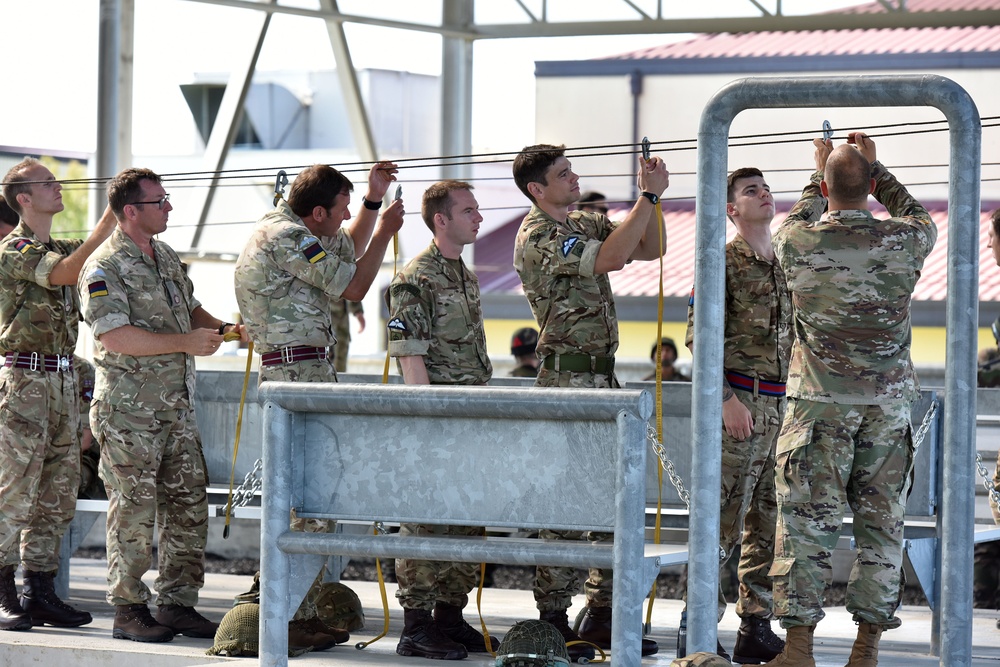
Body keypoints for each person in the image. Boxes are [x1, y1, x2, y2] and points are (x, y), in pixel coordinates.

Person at [764, 132, 937, 667]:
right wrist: (878, 169)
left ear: (825, 185)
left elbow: (798, 215)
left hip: (818, 408)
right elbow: (919, 216)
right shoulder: (907, 240)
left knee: (805, 529)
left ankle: (798, 651)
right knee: (881, 529)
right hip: (885, 412)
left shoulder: (798, 242)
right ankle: (865, 651)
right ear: (871, 187)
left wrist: (821, 173)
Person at [234, 161, 404, 651]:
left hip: (305, 368)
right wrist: (385, 231)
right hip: (294, 372)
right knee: (300, 500)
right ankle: (280, 613)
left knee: (311, 499)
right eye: (343, 207)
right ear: (316, 213)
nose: (349, 214)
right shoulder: (287, 237)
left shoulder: (300, 230)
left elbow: (344, 244)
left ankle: (296, 612)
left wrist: (372, 202)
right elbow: (353, 284)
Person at [512, 143, 670, 660]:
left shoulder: (582, 222)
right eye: (563, 174)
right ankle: (553, 618)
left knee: (610, 503)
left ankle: (601, 614)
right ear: (538, 189)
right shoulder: (538, 236)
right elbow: (614, 257)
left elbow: (649, 248)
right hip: (566, 385)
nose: (574, 178)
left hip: (601, 383)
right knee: (563, 506)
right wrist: (646, 194)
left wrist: (654, 198)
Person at [79, 167, 242, 643]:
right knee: (133, 510)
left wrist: (229, 330)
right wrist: (185, 343)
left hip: (175, 410)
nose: (168, 207)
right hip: (129, 415)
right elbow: (115, 336)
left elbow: (191, 311)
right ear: (131, 211)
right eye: (159, 201)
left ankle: (176, 604)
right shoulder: (103, 267)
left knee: (188, 506)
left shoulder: (165, 257)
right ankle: (128, 609)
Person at [682, 166, 825, 663]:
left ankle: (755, 625)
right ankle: (696, 624)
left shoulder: (785, 257)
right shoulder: (721, 263)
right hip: (740, 404)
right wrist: (725, 401)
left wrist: (822, 166)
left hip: (782, 406)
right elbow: (699, 338)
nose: (763, 194)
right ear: (731, 209)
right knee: (722, 522)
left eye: (765, 188)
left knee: (768, 524)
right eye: (750, 191)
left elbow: (815, 207)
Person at [0, 158, 117, 632]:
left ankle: (40, 590)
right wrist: (110, 212)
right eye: (47, 183)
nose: (58, 187)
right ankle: (3, 590)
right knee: (14, 492)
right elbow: (68, 272)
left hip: (63, 380)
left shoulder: (61, 245)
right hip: (25, 381)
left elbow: (91, 256)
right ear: (23, 199)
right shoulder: (14, 249)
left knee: (56, 494)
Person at [387, 179, 496, 661]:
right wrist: (430, 423)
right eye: (469, 210)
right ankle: (416, 626)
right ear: (441, 220)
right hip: (438, 419)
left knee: (467, 520)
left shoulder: (464, 275)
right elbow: (411, 358)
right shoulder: (417, 277)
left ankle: (450, 618)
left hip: (471, 416)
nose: (478, 218)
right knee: (426, 521)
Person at [331, 299, 365, 373]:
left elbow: (350, 288)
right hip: (318, 310)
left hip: (338, 315)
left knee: (340, 350)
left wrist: (357, 310)